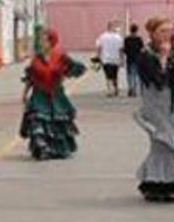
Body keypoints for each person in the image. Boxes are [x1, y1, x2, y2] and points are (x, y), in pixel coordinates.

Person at [134, 17, 174, 202]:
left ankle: (171, 181)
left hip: (170, 106)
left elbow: (172, 82)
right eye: (162, 31)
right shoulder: (144, 56)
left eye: (170, 31)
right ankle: (155, 182)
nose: (167, 35)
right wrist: (162, 58)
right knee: (161, 143)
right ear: (152, 33)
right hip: (155, 107)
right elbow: (158, 82)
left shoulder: (169, 55)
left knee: (172, 145)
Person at [20, 28, 87, 160]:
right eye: (41, 40)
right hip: (39, 95)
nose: (41, 42)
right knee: (38, 120)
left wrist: (66, 73)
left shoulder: (60, 56)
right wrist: (24, 93)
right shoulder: (37, 58)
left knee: (58, 122)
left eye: (44, 40)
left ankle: (57, 149)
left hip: (56, 94)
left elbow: (77, 68)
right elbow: (30, 77)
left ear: (51, 41)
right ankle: (41, 148)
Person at [94, 22, 124, 97]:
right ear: (113, 27)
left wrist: (98, 57)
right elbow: (121, 49)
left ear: (107, 27)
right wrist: (122, 59)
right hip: (115, 59)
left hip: (106, 59)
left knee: (108, 76)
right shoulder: (118, 37)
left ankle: (109, 91)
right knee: (115, 75)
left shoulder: (102, 36)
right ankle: (116, 89)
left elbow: (99, 48)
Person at [123, 24, 145, 97]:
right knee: (138, 75)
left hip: (129, 59)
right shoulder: (139, 39)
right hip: (138, 59)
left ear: (130, 30)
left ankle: (131, 89)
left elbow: (125, 50)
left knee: (130, 75)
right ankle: (137, 90)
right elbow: (142, 49)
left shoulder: (127, 39)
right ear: (137, 30)